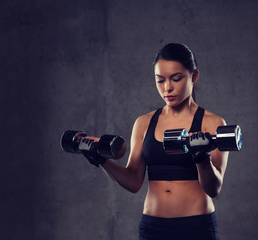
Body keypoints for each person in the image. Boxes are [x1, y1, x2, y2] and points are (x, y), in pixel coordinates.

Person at [84, 43, 229, 240]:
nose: (167, 87)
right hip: (154, 228)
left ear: (194, 76)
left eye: (176, 79)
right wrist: (101, 160)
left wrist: (202, 158)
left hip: (196, 227)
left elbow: (214, 189)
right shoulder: (144, 123)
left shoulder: (212, 123)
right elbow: (134, 181)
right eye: (160, 81)